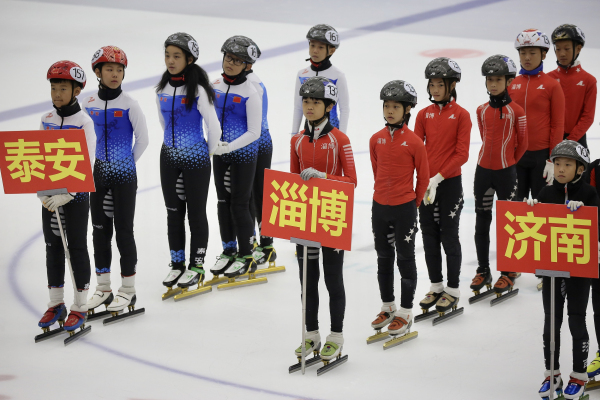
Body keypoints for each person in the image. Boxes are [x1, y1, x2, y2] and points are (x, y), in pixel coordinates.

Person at [291, 77, 356, 363]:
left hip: (332, 216)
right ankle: (312, 334)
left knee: (332, 279)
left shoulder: (340, 139)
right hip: (305, 218)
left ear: (329, 106)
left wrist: (324, 177)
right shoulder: (296, 140)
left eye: (316, 102)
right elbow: (292, 182)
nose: (310, 106)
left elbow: (352, 181)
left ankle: (337, 336)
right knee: (308, 281)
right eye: (306, 101)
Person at [526, 140, 597, 400]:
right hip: (551, 269)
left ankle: (579, 375)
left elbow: (595, 229)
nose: (561, 169)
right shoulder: (545, 194)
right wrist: (530, 211)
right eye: (557, 164)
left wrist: (586, 212)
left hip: (578, 269)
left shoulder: (589, 194)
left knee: (576, 318)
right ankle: (551, 372)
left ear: (580, 168)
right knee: (551, 321)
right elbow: (535, 232)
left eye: (568, 164)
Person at [83, 46, 149, 314]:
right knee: (99, 231)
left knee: (123, 231)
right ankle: (103, 288)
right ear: (97, 72)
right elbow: (82, 141)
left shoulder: (130, 104)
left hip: (123, 176)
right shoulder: (88, 104)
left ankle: (129, 290)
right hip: (97, 175)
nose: (115, 74)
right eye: (109, 69)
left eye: (119, 70)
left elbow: (143, 141)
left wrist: (125, 165)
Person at [156, 33, 221, 291]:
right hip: (168, 157)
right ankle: (177, 264)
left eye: (176, 56)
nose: (170, 61)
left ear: (190, 59)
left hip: (195, 158)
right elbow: (164, 124)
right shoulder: (161, 89)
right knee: (173, 213)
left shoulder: (199, 90)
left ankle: (196, 265)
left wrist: (207, 152)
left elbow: (213, 126)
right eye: (167, 55)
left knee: (195, 214)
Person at [37, 60, 95, 334]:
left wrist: (69, 193)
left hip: (76, 196)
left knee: (76, 247)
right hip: (50, 196)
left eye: (63, 88)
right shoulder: (46, 120)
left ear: (76, 91)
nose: (57, 94)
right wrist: (42, 191)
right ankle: (56, 303)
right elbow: (39, 156)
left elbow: (89, 162)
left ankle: (80, 305)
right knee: (52, 247)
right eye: (54, 88)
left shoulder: (84, 122)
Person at [369, 80, 428, 336]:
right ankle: (387, 305)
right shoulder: (376, 139)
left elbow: (423, 178)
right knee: (383, 257)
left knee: (405, 257)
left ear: (408, 110)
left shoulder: (414, 142)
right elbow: (376, 170)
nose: (390, 111)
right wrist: (383, 195)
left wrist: (411, 204)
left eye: (395, 106)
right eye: (386, 106)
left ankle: (405, 310)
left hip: (405, 207)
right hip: (379, 206)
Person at [414, 57, 471, 316]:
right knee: (428, 235)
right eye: (432, 84)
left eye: (440, 84)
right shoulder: (423, 114)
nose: (435, 89)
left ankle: (453, 288)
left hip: (448, 184)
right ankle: (436, 285)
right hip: (426, 184)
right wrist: (421, 179)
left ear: (452, 85)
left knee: (448, 235)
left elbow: (461, 155)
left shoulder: (462, 115)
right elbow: (416, 149)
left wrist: (437, 178)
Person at [470, 55, 528, 297]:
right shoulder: (481, 110)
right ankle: (483, 269)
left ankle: (509, 270)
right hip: (483, 171)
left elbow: (523, 144)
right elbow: (484, 137)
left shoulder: (517, 111)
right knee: (482, 221)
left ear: (509, 81)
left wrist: (509, 164)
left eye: (498, 80)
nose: (493, 84)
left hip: (507, 172)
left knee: (509, 225)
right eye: (489, 80)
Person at [211, 36, 262, 279]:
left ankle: (246, 254)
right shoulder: (215, 86)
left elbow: (255, 132)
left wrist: (229, 147)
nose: (230, 63)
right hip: (220, 152)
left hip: (243, 153)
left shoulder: (251, 92)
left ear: (247, 66)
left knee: (240, 204)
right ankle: (229, 249)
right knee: (222, 202)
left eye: (237, 60)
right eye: (228, 58)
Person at [509, 29, 565, 201]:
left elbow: (557, 125)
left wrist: (552, 159)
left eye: (532, 53)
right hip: (516, 155)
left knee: (543, 205)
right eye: (523, 53)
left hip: (541, 157)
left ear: (544, 55)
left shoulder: (552, 86)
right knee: (517, 205)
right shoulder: (511, 84)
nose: (527, 57)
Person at [244, 39, 277, 266]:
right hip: (249, 143)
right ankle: (254, 241)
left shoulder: (252, 84)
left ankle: (266, 245)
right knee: (248, 196)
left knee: (259, 195)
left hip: (258, 141)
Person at [291, 24, 349, 135]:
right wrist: (294, 134)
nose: (315, 51)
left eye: (320, 47)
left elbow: (344, 109)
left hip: (332, 131)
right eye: (312, 45)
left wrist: (342, 137)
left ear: (331, 51)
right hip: (308, 131)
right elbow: (298, 107)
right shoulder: (302, 75)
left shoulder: (338, 76)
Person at [548, 24, 596, 148]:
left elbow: (588, 117)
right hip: (549, 138)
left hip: (576, 140)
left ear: (578, 48)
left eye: (567, 49)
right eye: (558, 49)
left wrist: (570, 140)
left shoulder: (589, 80)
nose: (562, 54)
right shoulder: (547, 78)